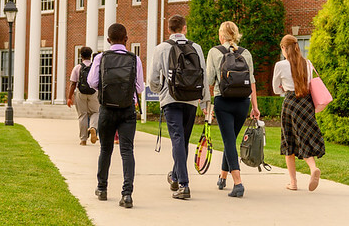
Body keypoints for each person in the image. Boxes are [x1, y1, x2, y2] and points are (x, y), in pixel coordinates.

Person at [149, 14, 209, 200]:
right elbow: (203, 75)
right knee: (183, 141)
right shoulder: (196, 47)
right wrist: (205, 100)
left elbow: (153, 79)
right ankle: (175, 177)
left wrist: (160, 91)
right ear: (185, 28)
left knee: (177, 139)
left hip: (171, 98)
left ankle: (184, 184)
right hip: (191, 100)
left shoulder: (161, 48)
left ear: (169, 30)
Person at [87, 23, 144, 209]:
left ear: (108, 40)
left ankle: (102, 188)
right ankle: (127, 194)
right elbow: (140, 88)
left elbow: (92, 81)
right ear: (126, 39)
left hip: (107, 109)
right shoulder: (134, 59)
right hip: (127, 109)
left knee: (105, 149)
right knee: (127, 151)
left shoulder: (101, 58)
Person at [205, 21, 260, 198]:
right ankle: (222, 176)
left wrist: (206, 106)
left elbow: (209, 81)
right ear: (236, 35)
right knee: (231, 139)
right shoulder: (246, 53)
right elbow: (251, 81)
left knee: (229, 141)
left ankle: (238, 183)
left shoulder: (215, 52)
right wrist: (255, 107)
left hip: (224, 101)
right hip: (243, 103)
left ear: (221, 35)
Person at [272, 34, 325, 192]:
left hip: (291, 104)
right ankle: (313, 167)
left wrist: (283, 86)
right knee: (305, 136)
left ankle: (293, 183)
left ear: (284, 48)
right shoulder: (307, 63)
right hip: (306, 103)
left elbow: (275, 89)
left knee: (290, 142)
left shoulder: (280, 65)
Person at [67, 46, 99, 146]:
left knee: (82, 115)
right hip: (94, 92)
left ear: (81, 56)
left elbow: (73, 83)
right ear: (90, 55)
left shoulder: (77, 67)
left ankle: (83, 139)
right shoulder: (95, 67)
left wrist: (69, 97)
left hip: (80, 92)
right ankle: (93, 127)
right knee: (95, 112)